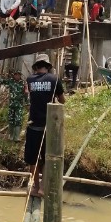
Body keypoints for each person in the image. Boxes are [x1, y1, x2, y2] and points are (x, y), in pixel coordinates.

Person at [25, 53, 65, 197]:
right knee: (47, 157)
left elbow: (30, 97)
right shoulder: (54, 79)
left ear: (36, 66)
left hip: (33, 125)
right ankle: (43, 187)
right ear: (48, 66)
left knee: (33, 159)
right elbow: (62, 100)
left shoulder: (29, 79)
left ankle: (35, 187)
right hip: (49, 126)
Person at [0, 68, 27, 142]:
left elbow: (26, 93)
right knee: (11, 120)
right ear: (14, 75)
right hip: (12, 104)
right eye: (16, 75)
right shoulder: (11, 81)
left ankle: (16, 137)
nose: (17, 76)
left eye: (18, 75)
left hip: (19, 105)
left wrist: (27, 101)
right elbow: (2, 81)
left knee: (18, 120)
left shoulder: (23, 83)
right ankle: (10, 136)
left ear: (20, 75)